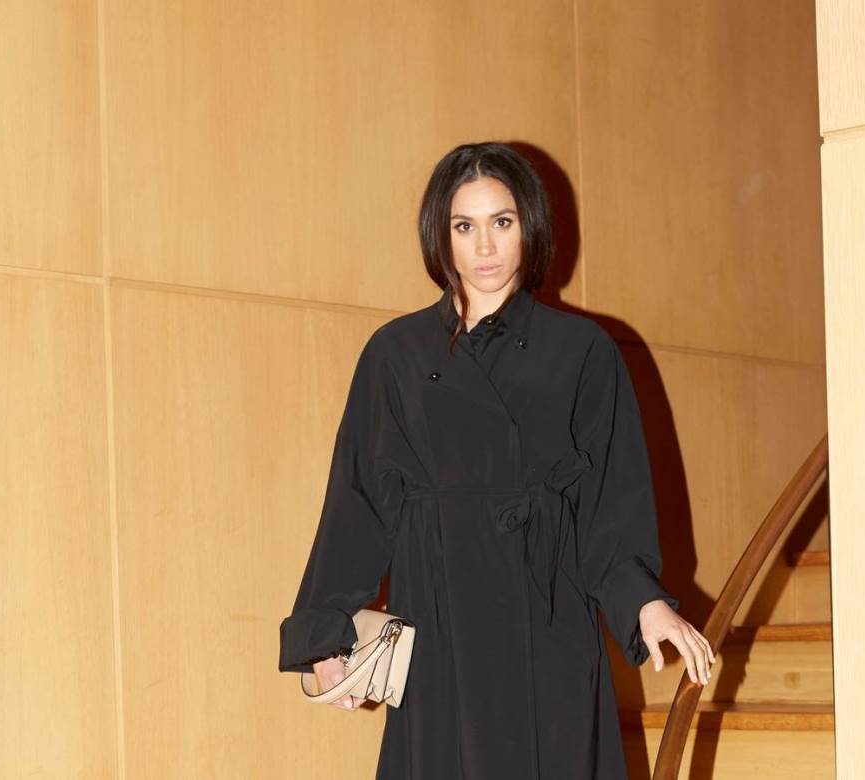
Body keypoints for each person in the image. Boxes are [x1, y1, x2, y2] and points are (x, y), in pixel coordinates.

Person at [279, 142, 715, 779]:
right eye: (465, 226)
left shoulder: (582, 350)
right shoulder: (396, 354)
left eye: (501, 222)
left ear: (528, 226)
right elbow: (357, 506)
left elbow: (608, 505)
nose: (484, 246)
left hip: (549, 623)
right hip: (441, 630)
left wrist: (644, 601)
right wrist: (325, 637)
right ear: (441, 235)